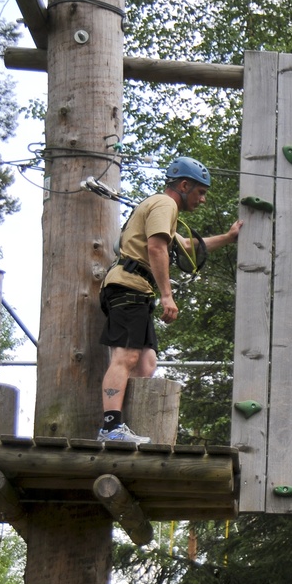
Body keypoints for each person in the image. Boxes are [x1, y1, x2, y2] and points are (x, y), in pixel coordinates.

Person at [97, 156, 243, 443]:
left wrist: (228, 237)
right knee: (125, 356)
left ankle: (127, 427)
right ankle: (110, 428)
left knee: (146, 363)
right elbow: (156, 247)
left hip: (137, 290)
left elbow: (187, 246)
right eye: (200, 192)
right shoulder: (165, 204)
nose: (202, 200)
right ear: (184, 185)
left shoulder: (163, 210)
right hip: (128, 287)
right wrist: (167, 295)